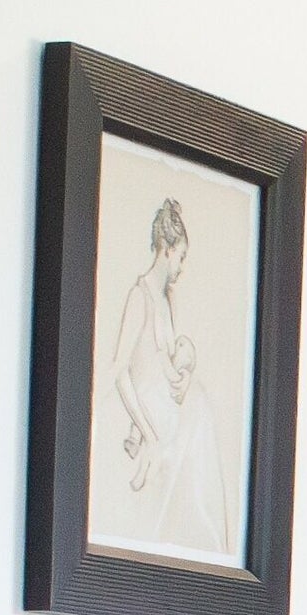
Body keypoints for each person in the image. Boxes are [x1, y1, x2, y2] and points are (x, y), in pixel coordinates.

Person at [103, 190, 236, 559]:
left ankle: (210, 546)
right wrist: (146, 432)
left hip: (166, 403)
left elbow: (171, 356)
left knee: (200, 405)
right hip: (148, 410)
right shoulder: (140, 296)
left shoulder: (168, 298)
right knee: (197, 411)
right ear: (166, 250)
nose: (181, 267)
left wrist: (185, 374)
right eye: (181, 257)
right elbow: (120, 371)